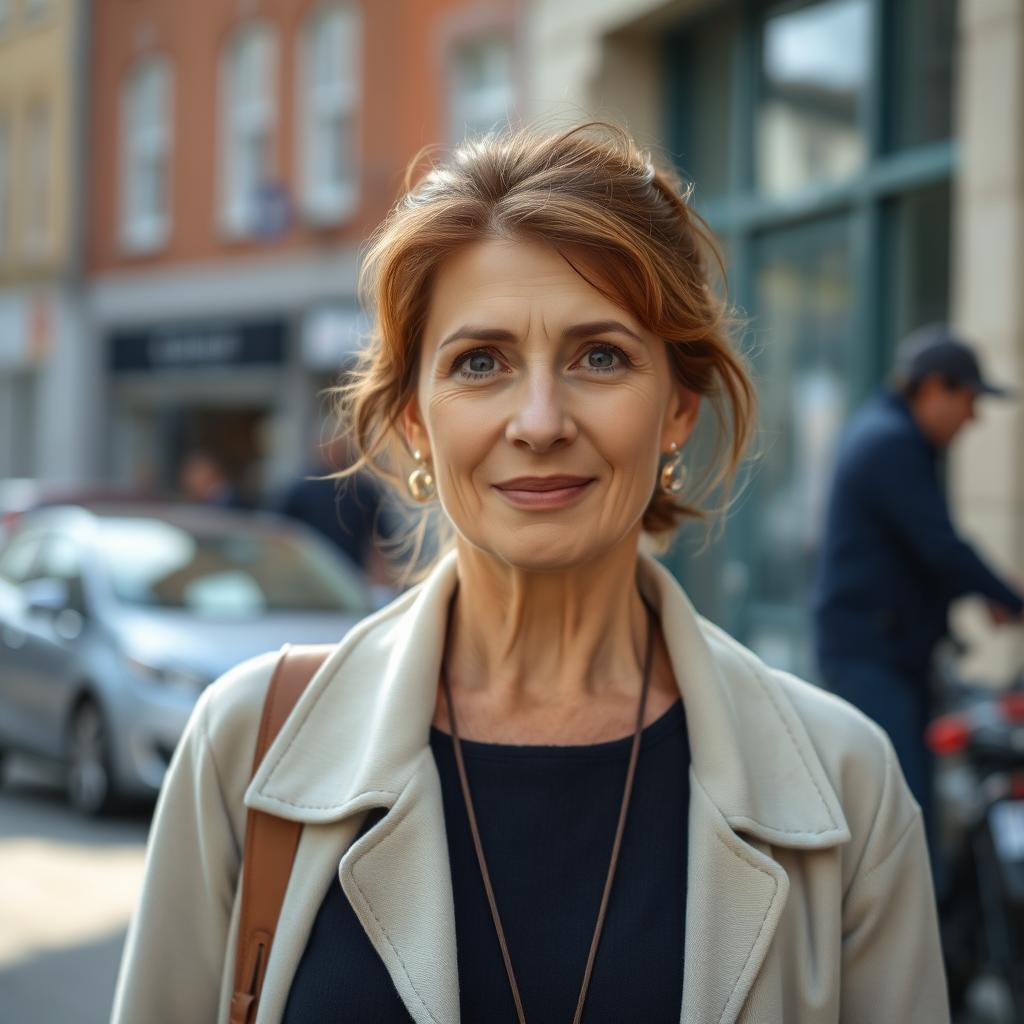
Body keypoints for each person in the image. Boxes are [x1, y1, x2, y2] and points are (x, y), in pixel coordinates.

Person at [113, 124, 948, 1024]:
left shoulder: (845, 786)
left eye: (601, 356)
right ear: (413, 422)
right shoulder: (249, 746)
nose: (540, 420)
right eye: (481, 363)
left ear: (676, 408)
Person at [813, 325, 1024, 852]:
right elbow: (941, 546)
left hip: (882, 651)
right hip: (873, 658)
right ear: (933, 389)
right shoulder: (892, 442)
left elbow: (924, 552)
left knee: (892, 810)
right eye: (969, 401)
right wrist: (1009, 599)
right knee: (897, 820)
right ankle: (902, 934)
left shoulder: (888, 434)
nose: (972, 419)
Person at [274, 429, 394, 583]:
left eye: (340, 446)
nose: (335, 451)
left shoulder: (362, 490)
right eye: (331, 445)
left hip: (350, 575)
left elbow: (379, 543)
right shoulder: (300, 488)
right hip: (307, 573)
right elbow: (281, 533)